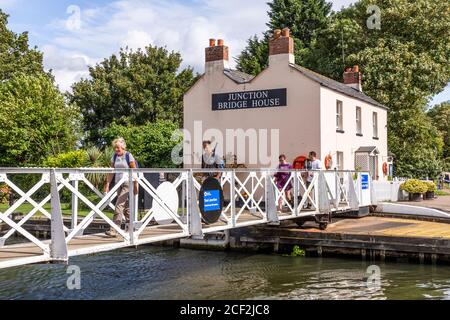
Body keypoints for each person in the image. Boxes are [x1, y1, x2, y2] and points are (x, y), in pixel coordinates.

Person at [104, 138, 139, 237]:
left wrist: (136, 184)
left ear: (123, 147)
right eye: (115, 148)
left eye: (118, 148)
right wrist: (107, 184)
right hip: (118, 183)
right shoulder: (114, 156)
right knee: (125, 206)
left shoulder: (128, 155)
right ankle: (132, 226)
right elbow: (112, 171)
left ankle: (114, 229)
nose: (116, 150)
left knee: (119, 205)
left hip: (128, 182)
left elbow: (134, 170)